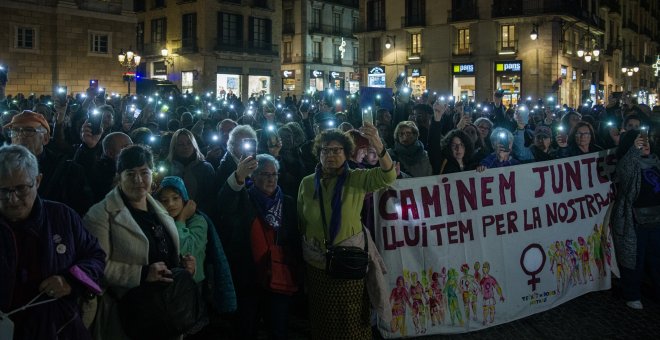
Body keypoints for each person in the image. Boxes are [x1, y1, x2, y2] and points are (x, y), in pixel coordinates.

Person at [83, 145, 196, 339]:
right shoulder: (100, 215)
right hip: (128, 315)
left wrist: (182, 266)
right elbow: (96, 267)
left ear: (152, 174)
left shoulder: (158, 209)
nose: (138, 180)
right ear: (119, 176)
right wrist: (142, 274)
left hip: (165, 312)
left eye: (144, 172)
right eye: (130, 174)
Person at [297, 124, 396, 339]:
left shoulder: (357, 179)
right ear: (318, 153)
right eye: (325, 150)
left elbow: (388, 176)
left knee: (351, 321)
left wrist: (377, 144)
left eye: (336, 150)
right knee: (323, 321)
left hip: (348, 263)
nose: (330, 155)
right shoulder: (306, 184)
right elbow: (301, 222)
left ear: (346, 153)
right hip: (317, 266)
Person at [0, 144, 106, 340]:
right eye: (3, 191)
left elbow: (95, 256)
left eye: (21, 188)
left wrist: (70, 281)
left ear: (38, 181)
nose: (12, 199)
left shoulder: (62, 216)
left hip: (60, 328)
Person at [218, 153, 301, 339]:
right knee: (247, 328)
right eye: (265, 174)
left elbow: (295, 238)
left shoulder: (287, 202)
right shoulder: (244, 199)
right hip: (250, 276)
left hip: (279, 276)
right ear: (253, 177)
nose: (271, 179)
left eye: (274, 174)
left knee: (278, 328)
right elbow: (224, 204)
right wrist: (238, 176)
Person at [4, 110, 92, 215]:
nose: (20, 136)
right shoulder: (3, 166)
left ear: (45, 139)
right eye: (15, 131)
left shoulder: (66, 170)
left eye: (28, 131)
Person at [611, 129, 660, 310]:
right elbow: (624, 169)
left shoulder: (656, 161)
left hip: (657, 219)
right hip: (635, 221)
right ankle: (632, 294)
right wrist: (633, 150)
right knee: (633, 260)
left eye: (646, 142)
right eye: (640, 142)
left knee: (656, 259)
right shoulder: (629, 164)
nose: (645, 145)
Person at [164, 128, 216, 213]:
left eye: (189, 143)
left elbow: (211, 197)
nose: (186, 147)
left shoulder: (205, 168)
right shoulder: (167, 167)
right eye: (180, 144)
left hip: (199, 215)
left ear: (194, 145)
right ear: (174, 147)